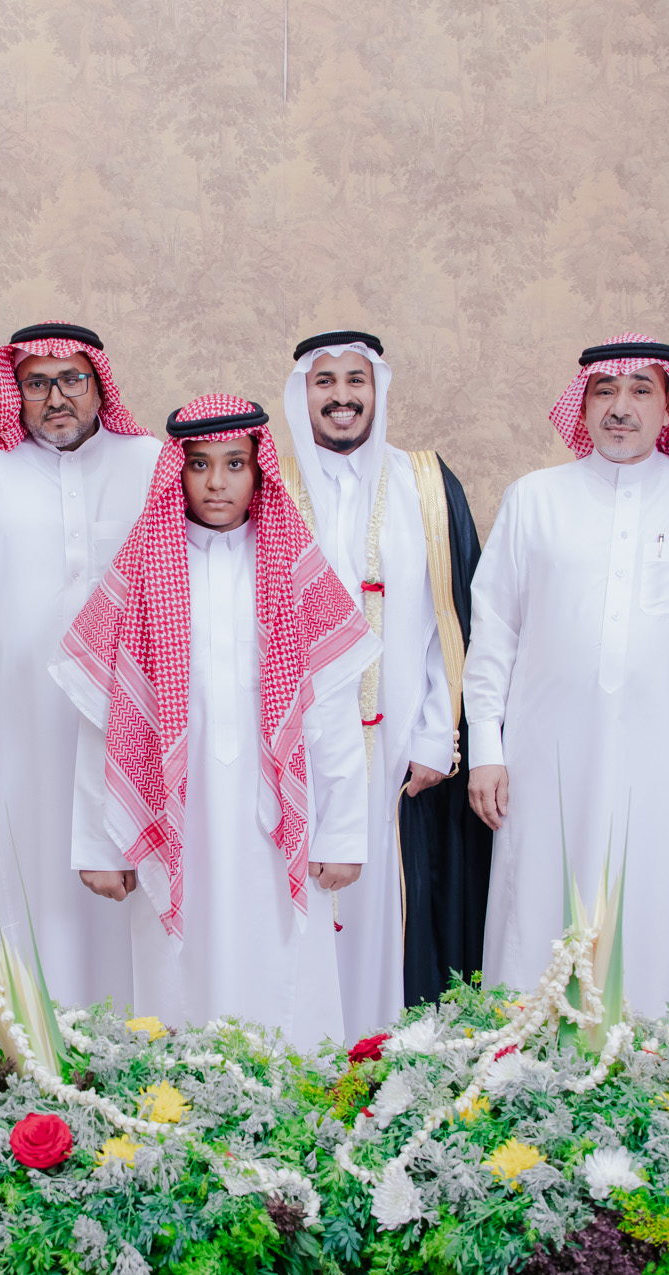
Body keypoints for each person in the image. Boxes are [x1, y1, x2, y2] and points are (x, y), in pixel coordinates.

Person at [463, 334, 669, 1034]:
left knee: (662, 922)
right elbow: (494, 632)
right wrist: (486, 747)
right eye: (605, 390)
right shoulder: (535, 498)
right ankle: (523, 1081)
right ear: (582, 405)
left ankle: (661, 1082)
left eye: (641, 390)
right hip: (546, 761)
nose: (620, 407)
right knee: (536, 916)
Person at [53, 395, 377, 1050]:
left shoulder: (296, 566)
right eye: (199, 464)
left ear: (260, 471)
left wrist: (343, 831)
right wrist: (99, 845)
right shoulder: (142, 571)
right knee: (178, 989)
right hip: (176, 816)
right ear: (178, 471)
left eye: (235, 463)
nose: (217, 482)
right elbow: (109, 721)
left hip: (275, 822)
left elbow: (333, 710)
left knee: (285, 982)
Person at [0, 322, 158, 1007]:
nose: (56, 397)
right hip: (4, 733)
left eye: (72, 379)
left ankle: (133, 1049)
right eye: (37, 383)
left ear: (99, 385)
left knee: (127, 896)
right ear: (14, 392)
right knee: (10, 886)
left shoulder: (150, 463)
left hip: (124, 733)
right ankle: (13, 1047)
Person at [278, 330, 491, 1036]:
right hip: (296, 753)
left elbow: (450, 618)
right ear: (302, 394)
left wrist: (436, 737)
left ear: (378, 390)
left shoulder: (423, 484)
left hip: (400, 753)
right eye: (325, 381)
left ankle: (384, 1060)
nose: (341, 396)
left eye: (356, 380)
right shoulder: (272, 484)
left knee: (392, 905)